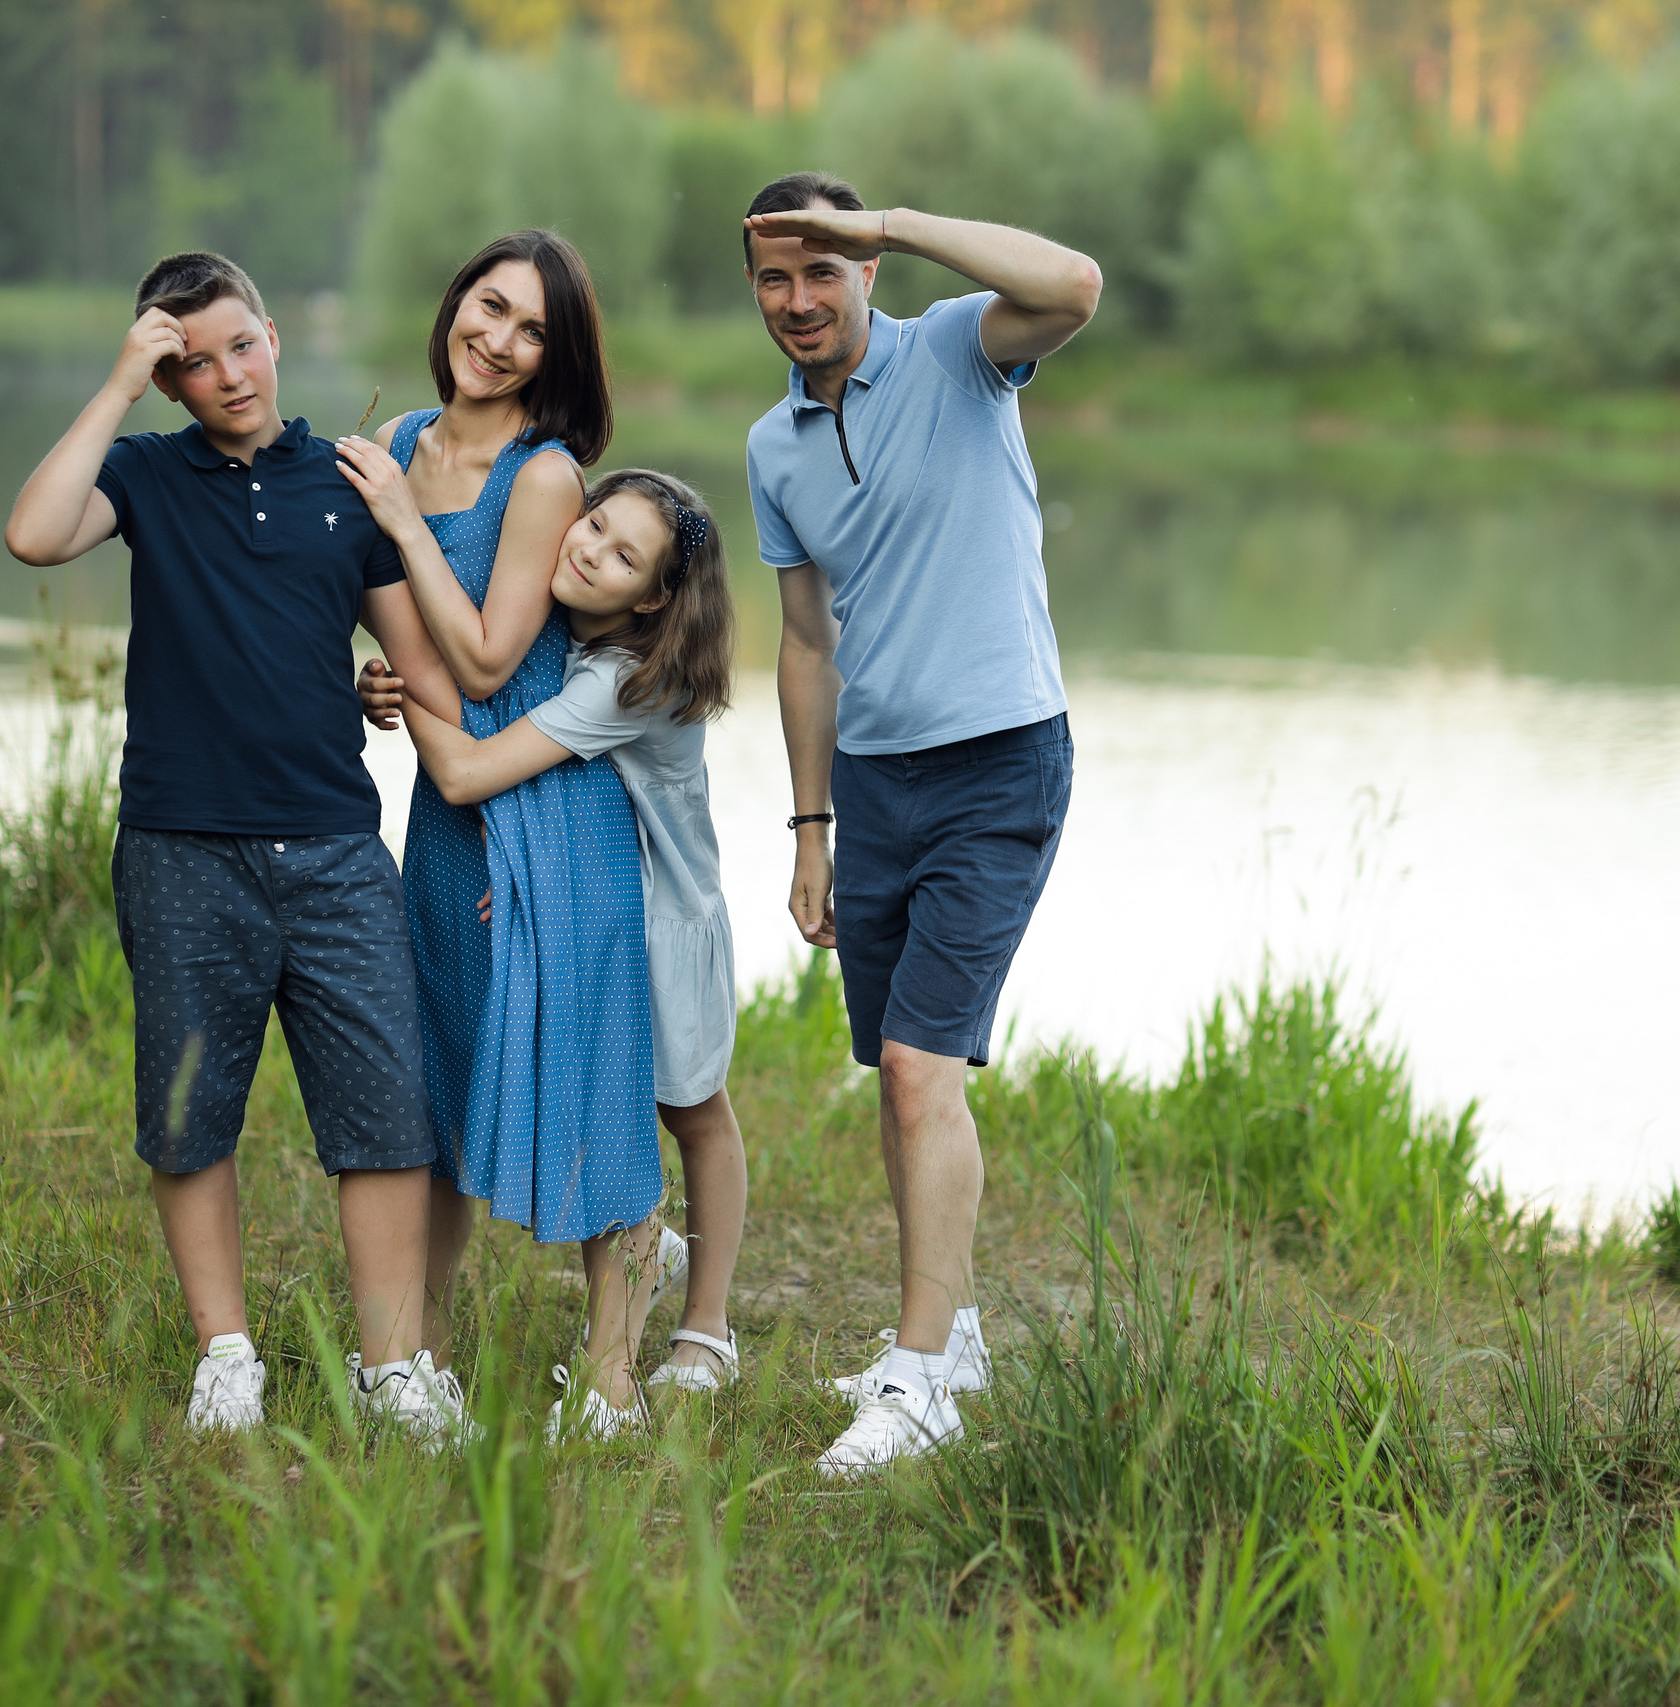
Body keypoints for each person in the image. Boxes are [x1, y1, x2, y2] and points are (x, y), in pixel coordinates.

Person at [2, 251, 473, 1445]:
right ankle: (227, 1355)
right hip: (180, 848)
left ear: (273, 334)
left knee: (385, 1111)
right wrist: (117, 383)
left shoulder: (344, 483)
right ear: (167, 381)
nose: (225, 376)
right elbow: (34, 536)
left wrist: (382, 685)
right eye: (190, 362)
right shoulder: (147, 475)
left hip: (330, 845)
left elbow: (424, 667)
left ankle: (391, 1369)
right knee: (190, 1109)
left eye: (239, 345)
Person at [741, 174, 1103, 1476]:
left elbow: (1074, 283)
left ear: (866, 272)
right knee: (899, 1077)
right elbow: (800, 641)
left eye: (822, 269)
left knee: (919, 1070)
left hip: (1002, 759)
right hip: (877, 781)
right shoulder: (771, 444)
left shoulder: (958, 348)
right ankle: (948, 1340)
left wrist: (886, 221)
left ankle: (918, 1379)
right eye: (775, 277)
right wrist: (810, 827)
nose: (798, 299)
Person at [331, 232, 668, 1412]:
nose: (497, 340)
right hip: (442, 808)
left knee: (589, 1079)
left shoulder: (544, 477)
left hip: (542, 804)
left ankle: (614, 1379)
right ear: (454, 303)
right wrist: (378, 681)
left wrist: (404, 527)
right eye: (488, 307)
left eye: (530, 329)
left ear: (552, 356)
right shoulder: (399, 446)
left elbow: (481, 660)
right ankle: (412, 1364)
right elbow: (406, 644)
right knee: (436, 1080)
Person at [356, 470, 748, 1440]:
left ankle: (702, 1327)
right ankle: (633, 1315)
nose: (588, 550)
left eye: (623, 557)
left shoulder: (624, 679)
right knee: (634, 1104)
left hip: (661, 918)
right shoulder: (568, 637)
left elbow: (473, 768)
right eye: (595, 524)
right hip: (587, 897)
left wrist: (407, 676)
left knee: (689, 1110)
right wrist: (392, 684)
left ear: (654, 598)